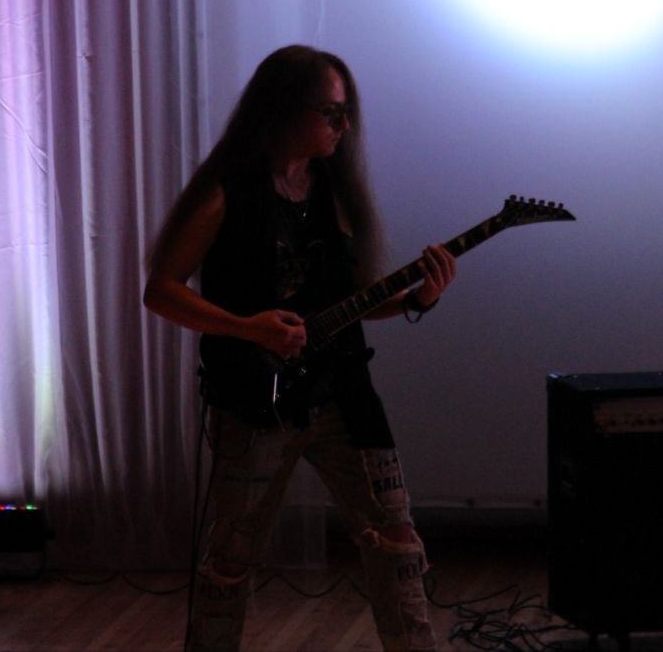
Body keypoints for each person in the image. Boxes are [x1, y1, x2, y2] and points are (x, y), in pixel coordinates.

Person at [144, 45, 456, 651]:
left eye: (346, 114)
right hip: (256, 402)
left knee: (397, 541)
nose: (345, 127)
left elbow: (353, 302)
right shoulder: (227, 192)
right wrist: (247, 328)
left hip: (345, 395)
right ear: (285, 109)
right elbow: (161, 292)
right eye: (331, 113)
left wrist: (417, 299)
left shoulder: (333, 192)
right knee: (231, 559)